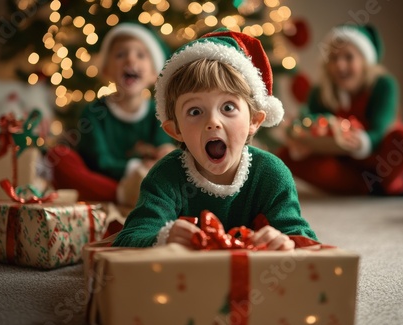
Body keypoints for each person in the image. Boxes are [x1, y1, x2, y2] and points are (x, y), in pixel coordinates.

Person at [113, 28, 318, 249]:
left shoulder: (271, 174)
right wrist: (162, 238)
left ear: (254, 121)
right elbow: (129, 238)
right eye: (195, 111)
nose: (213, 122)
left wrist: (284, 241)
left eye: (228, 107)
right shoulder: (165, 176)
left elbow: (305, 241)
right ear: (175, 130)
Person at [277, 24, 403, 196]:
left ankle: (389, 183)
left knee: (402, 138)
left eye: (348, 57)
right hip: (343, 165)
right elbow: (308, 121)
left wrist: (363, 141)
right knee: (286, 156)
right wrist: (301, 139)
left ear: (364, 61)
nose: (340, 65)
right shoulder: (319, 92)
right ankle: (369, 187)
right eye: (333, 58)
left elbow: (381, 128)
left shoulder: (383, 85)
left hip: (378, 158)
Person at [47, 23, 175, 206]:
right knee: (59, 157)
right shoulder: (94, 113)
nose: (130, 60)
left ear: (154, 74)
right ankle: (124, 195)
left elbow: (161, 149)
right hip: (101, 180)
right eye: (120, 54)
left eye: (140, 55)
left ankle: (134, 194)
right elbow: (100, 161)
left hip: (144, 181)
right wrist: (134, 168)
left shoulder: (159, 114)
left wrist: (166, 153)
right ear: (107, 70)